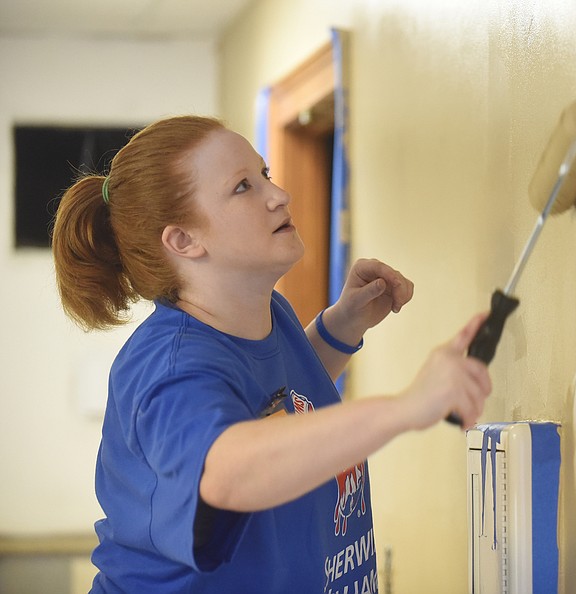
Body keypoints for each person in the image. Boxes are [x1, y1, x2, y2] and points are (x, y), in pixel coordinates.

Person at [51, 115, 491, 593]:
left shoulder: (264, 310)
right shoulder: (171, 368)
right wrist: (409, 406)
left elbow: (275, 402)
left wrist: (342, 325)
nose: (278, 194)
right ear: (183, 239)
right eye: (243, 187)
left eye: (263, 174)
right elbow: (230, 473)